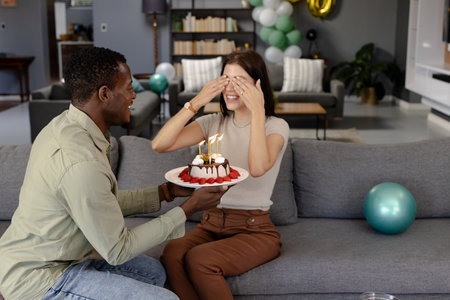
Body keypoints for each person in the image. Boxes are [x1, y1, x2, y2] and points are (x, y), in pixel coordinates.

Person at [0, 47, 228, 300]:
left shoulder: (72, 126)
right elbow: (117, 249)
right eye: (129, 87)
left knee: (154, 273)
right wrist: (188, 209)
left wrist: (167, 192)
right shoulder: (79, 161)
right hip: (39, 276)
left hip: (68, 256)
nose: (133, 95)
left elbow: (102, 204)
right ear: (105, 94)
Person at [151, 49, 290, 300]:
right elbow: (159, 144)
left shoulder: (275, 126)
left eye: (240, 81)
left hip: (254, 230)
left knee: (200, 258)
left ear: (259, 86)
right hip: (211, 223)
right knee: (172, 252)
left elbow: (257, 168)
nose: (230, 88)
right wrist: (196, 102)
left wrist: (258, 111)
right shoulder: (212, 122)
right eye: (226, 80)